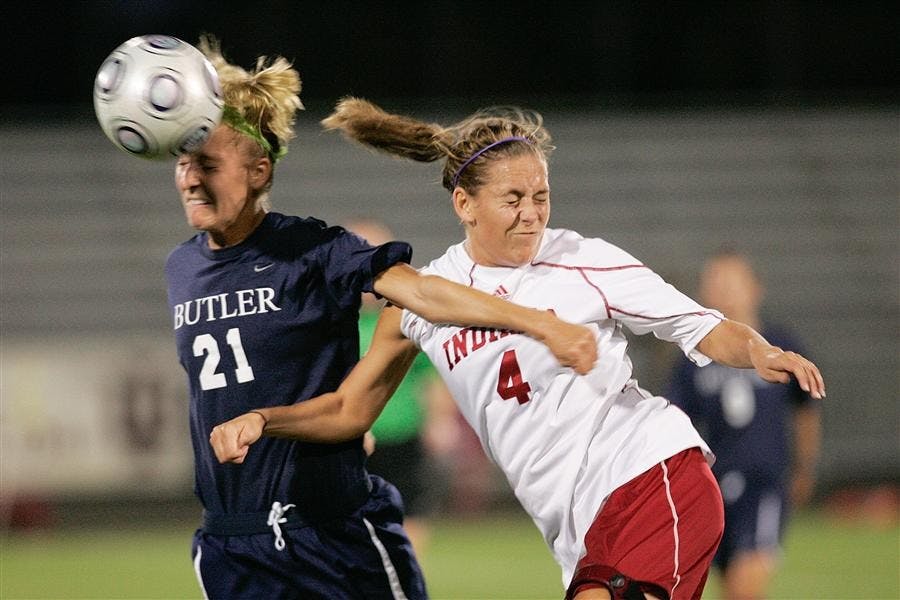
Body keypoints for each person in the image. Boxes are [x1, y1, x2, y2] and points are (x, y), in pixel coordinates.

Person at [209, 98, 826, 600]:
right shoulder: (427, 300)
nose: (531, 215)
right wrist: (265, 419)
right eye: (513, 200)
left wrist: (757, 350)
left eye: (541, 197)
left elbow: (698, 325)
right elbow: (349, 410)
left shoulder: (583, 260)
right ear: (464, 204)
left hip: (649, 476)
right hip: (578, 527)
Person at [166, 39, 597, 600]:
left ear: (258, 170)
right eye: (183, 163)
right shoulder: (181, 267)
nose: (189, 178)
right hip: (232, 544)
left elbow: (420, 293)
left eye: (207, 164)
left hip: (332, 533)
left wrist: (539, 323)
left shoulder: (312, 250)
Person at [666, 251, 821, 600]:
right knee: (727, 588)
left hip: (763, 483)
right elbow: (677, 417)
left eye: (731, 281)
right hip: (714, 486)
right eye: (715, 282)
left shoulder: (781, 345)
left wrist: (804, 465)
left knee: (745, 589)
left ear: (755, 288)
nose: (723, 290)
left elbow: (806, 408)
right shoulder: (693, 359)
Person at [345, 218, 461, 558]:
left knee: (410, 513)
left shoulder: (405, 316)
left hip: (403, 436)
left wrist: (440, 421)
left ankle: (404, 577)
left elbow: (431, 374)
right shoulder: (327, 322)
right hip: (349, 440)